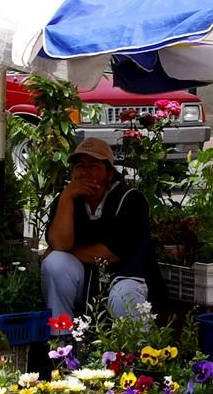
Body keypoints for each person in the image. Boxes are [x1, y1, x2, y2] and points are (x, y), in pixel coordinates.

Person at [40, 138, 152, 323]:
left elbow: (110, 254)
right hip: (83, 279)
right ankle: (62, 339)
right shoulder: (67, 199)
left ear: (109, 173)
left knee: (122, 297)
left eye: (93, 165)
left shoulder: (130, 200)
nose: (84, 172)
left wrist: (67, 249)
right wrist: (67, 197)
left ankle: (130, 351)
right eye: (79, 165)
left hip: (125, 277)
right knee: (55, 263)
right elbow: (60, 244)